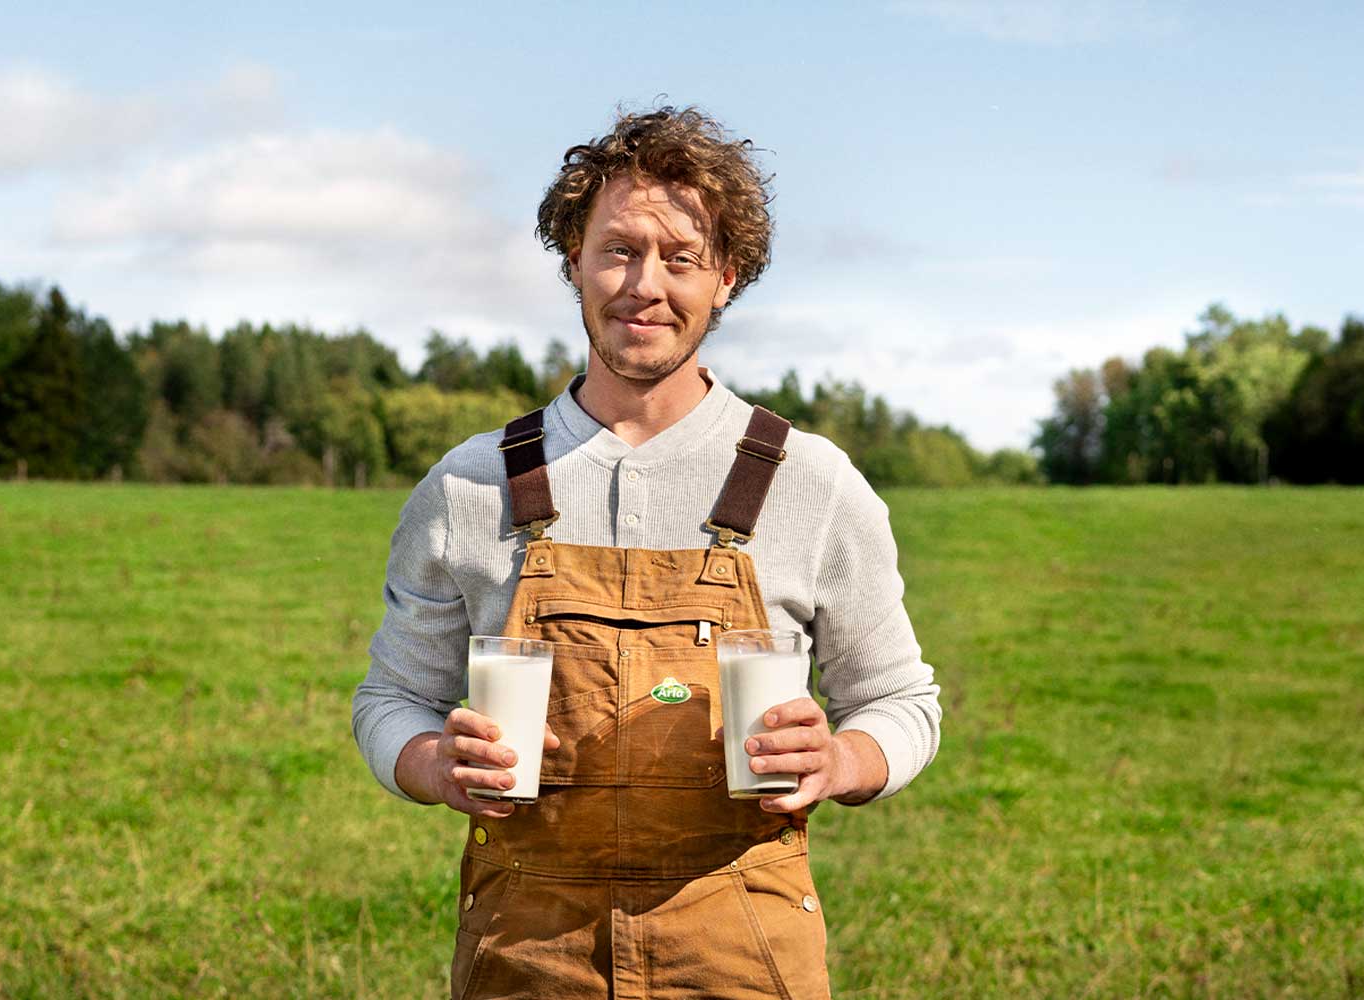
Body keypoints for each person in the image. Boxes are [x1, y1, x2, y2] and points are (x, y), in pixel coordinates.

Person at [351, 106, 942, 1000]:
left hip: (742, 948)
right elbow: (392, 697)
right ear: (573, 263)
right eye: (618, 250)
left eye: (682, 257)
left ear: (727, 279)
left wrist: (842, 762)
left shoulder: (810, 483)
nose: (645, 285)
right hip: (526, 954)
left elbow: (901, 702)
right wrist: (432, 763)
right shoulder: (470, 485)